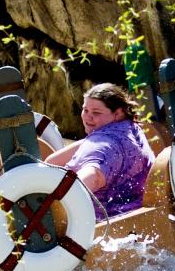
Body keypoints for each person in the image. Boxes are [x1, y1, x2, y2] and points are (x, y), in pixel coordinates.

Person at [45, 83, 155, 218]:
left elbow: (93, 177)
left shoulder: (103, 147)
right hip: (136, 213)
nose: (87, 117)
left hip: (104, 224)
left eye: (96, 113)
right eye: (85, 110)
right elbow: (50, 163)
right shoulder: (129, 129)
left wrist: (51, 208)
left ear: (117, 113)